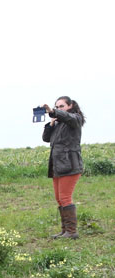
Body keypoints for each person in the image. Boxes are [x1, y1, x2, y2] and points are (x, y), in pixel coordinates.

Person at [42, 96, 85, 239]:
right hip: (58, 166)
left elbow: (68, 117)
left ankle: (72, 232)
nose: (59, 108)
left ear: (70, 105)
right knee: (59, 198)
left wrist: (53, 112)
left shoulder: (75, 119)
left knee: (65, 197)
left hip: (70, 165)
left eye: (61, 106)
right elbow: (46, 138)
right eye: (57, 106)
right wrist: (51, 124)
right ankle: (65, 231)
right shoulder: (59, 123)